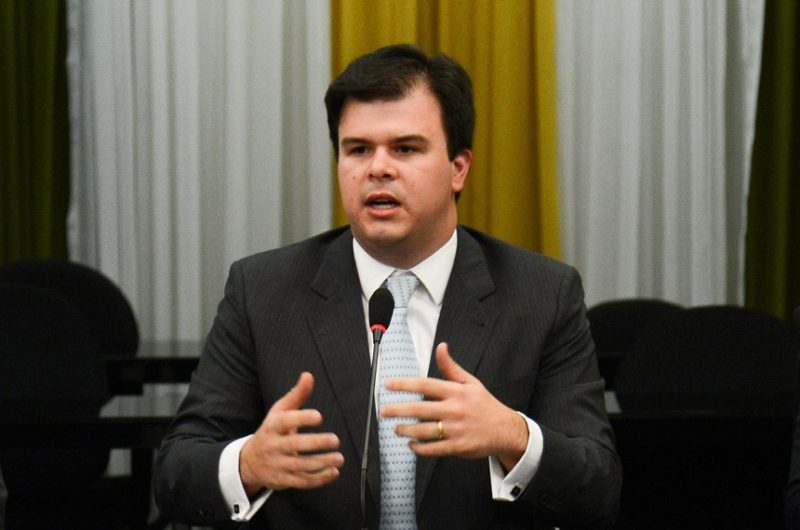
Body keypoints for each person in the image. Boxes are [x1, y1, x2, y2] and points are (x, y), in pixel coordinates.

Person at [154, 44, 621, 529]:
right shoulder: (263, 291)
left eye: (405, 148)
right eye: (358, 149)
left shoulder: (542, 294)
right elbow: (175, 474)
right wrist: (248, 465)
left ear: (458, 168)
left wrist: (513, 437)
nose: (378, 168)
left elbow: (599, 486)